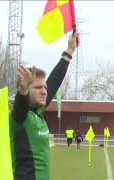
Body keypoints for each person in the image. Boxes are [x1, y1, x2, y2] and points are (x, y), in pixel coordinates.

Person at [9, 33, 78, 180]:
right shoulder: (20, 117)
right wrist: (23, 90)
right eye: (38, 87)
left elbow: (53, 82)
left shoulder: (37, 111)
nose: (44, 91)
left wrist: (69, 51)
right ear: (26, 88)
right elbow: (20, 105)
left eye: (44, 88)